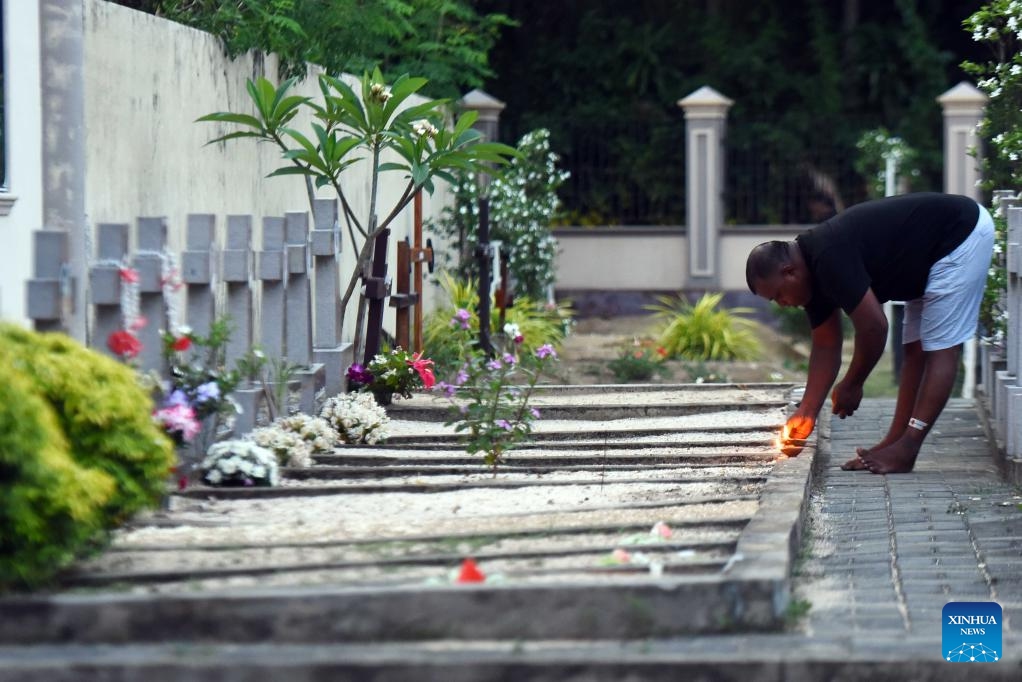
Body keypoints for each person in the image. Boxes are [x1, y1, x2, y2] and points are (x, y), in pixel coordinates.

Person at [745, 192, 995, 474]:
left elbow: (874, 328)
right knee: (915, 350)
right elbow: (826, 346)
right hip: (923, 257)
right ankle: (894, 443)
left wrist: (853, 382)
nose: (784, 304)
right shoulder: (810, 279)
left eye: (779, 295)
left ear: (790, 272)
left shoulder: (828, 256)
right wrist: (807, 411)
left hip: (959, 234)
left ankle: (908, 447)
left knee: (940, 349)